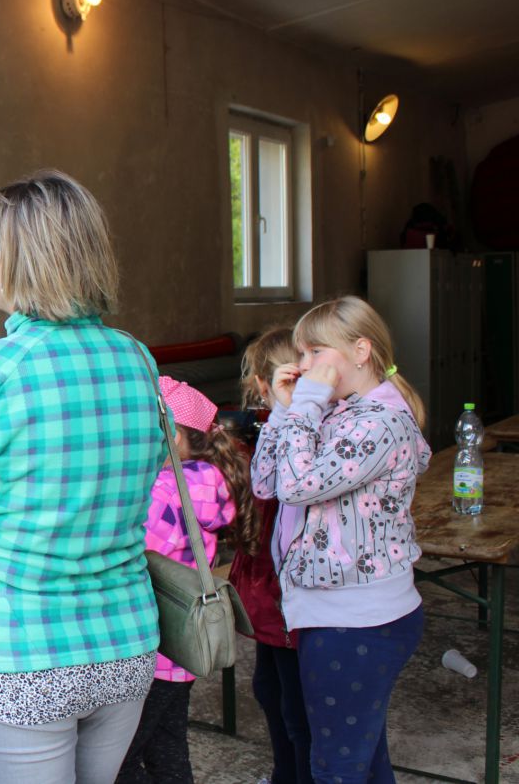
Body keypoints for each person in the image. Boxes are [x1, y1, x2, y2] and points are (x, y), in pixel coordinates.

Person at [0, 170, 165, 784]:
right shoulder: (135, 358)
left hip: (14, 650)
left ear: (20, 261)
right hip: (124, 643)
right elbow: (139, 481)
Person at [252, 296, 429, 784]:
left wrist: (306, 404)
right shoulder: (339, 412)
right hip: (329, 611)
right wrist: (284, 410)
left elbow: (297, 485)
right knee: (363, 762)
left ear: (361, 351)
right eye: (301, 353)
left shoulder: (380, 423)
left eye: (314, 352)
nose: (302, 364)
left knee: (337, 769)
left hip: (358, 619)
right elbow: (266, 483)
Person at [115, 377, 243, 784]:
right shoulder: (205, 480)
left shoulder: (162, 491)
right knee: (168, 749)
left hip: (152, 650)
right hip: (182, 648)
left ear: (170, 434)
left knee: (117, 762)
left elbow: (127, 556)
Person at [229, 327, 312, 784]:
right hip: (270, 589)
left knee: (295, 704)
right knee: (269, 687)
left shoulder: (293, 433)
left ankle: (296, 776)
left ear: (262, 383)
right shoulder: (282, 429)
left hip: (286, 592)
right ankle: (286, 772)